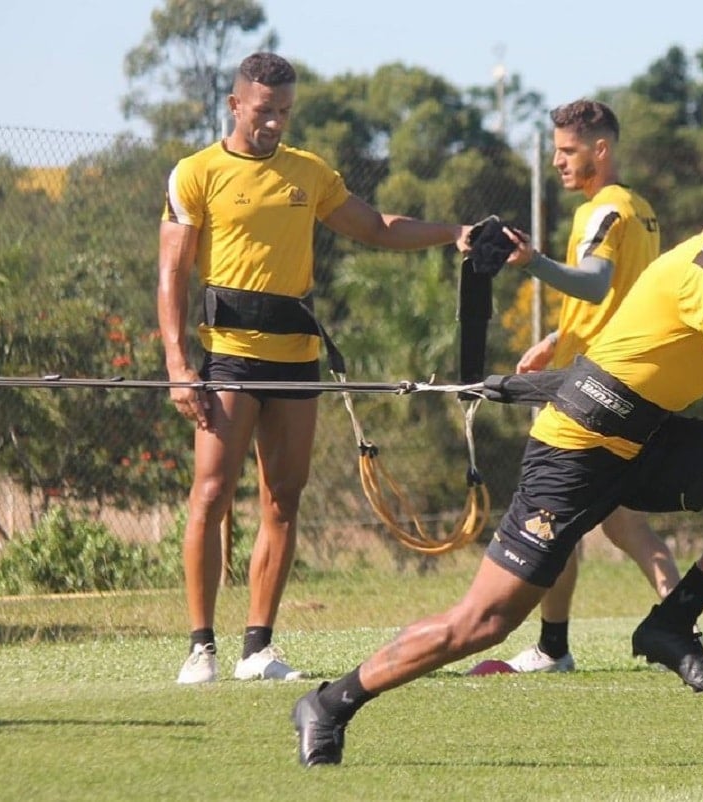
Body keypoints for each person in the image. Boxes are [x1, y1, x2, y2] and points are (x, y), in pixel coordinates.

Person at [291, 166, 703, 766]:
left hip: (645, 434)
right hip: (578, 448)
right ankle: (330, 702)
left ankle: (670, 623)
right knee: (483, 623)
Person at [159, 52, 472, 684]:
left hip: (296, 359)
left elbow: (377, 227)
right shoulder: (196, 174)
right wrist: (177, 363)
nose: (274, 122)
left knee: (283, 498)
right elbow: (171, 273)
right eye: (264, 110)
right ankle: (201, 648)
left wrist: (454, 231)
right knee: (212, 493)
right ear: (235, 106)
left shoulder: (308, 172)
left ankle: (258, 649)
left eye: (284, 111)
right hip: (228, 359)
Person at [501, 99, 679, 674]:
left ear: (600, 150)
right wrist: (558, 337)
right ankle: (681, 622)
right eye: (555, 150)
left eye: (567, 150)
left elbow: (596, 285)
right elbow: (628, 299)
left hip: (591, 391)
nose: (557, 161)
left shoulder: (602, 211)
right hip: (615, 378)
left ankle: (554, 648)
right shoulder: (642, 210)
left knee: (559, 513)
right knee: (621, 520)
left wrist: (532, 262)